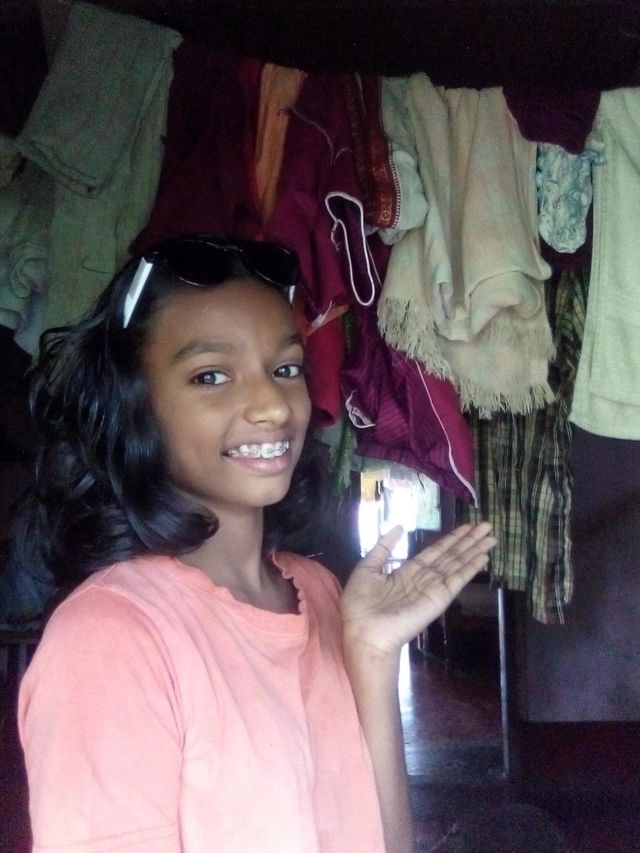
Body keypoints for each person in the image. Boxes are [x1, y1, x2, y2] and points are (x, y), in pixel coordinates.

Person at [14, 233, 495, 853]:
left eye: (285, 369)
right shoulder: (111, 638)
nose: (272, 405)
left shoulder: (320, 592)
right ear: (136, 407)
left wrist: (372, 654)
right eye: (211, 376)